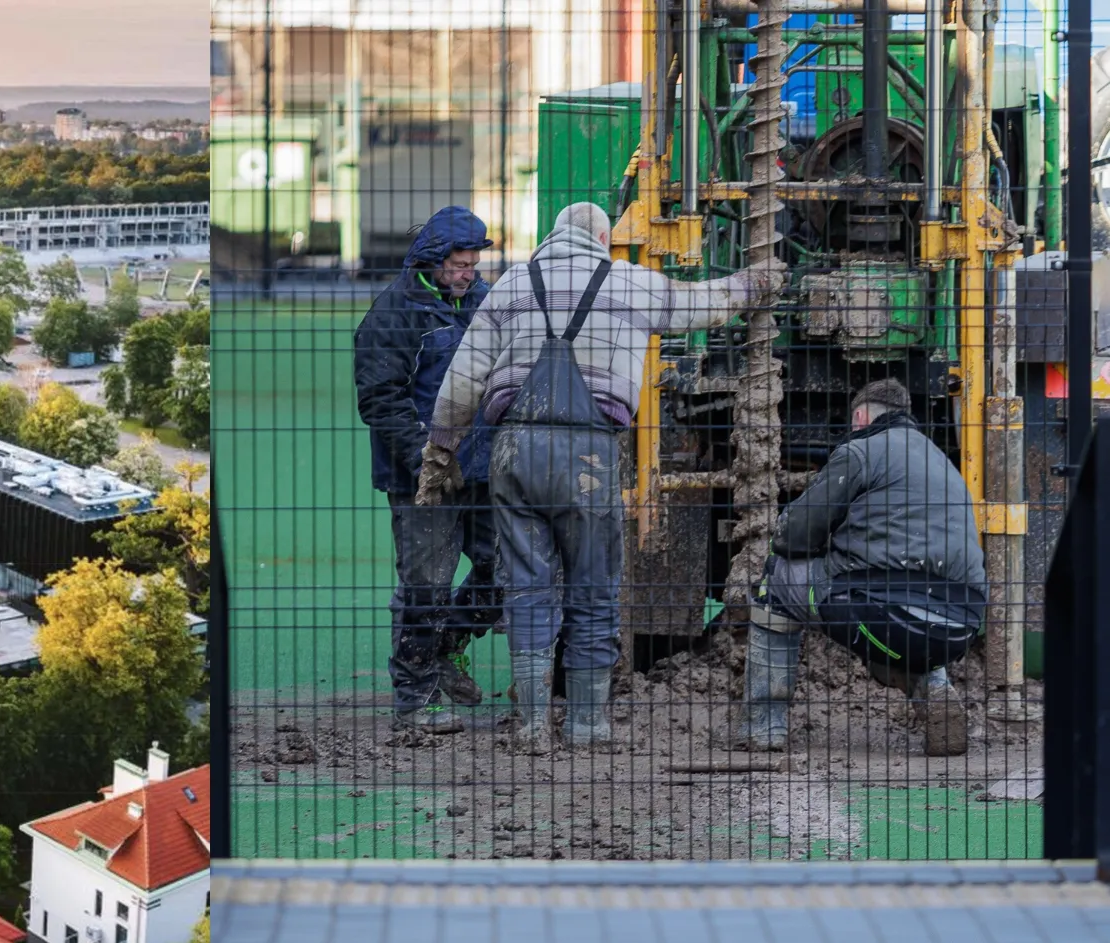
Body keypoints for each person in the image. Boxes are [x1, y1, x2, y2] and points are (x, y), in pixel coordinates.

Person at [417, 201, 784, 747]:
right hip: (589, 458)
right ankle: (588, 723)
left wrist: (438, 455)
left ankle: (534, 724)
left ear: (552, 235)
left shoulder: (513, 283)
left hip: (515, 452)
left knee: (527, 589)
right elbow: (705, 304)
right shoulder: (630, 283)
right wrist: (757, 281)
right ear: (604, 238)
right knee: (592, 588)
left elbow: (464, 379)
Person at [737, 378, 985, 756]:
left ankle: (763, 726)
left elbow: (796, 535)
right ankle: (935, 689)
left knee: (777, 582)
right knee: (913, 611)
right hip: (957, 626)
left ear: (860, 416)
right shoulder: (945, 462)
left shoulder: (861, 451)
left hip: (883, 611)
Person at [354, 206, 500, 734]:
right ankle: (416, 703)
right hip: (422, 481)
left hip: (484, 472)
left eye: (474, 264)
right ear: (432, 262)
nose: (469, 273)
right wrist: (428, 461)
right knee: (426, 588)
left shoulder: (483, 302)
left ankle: (446, 647)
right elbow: (380, 400)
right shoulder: (392, 315)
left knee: (503, 572)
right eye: (459, 265)